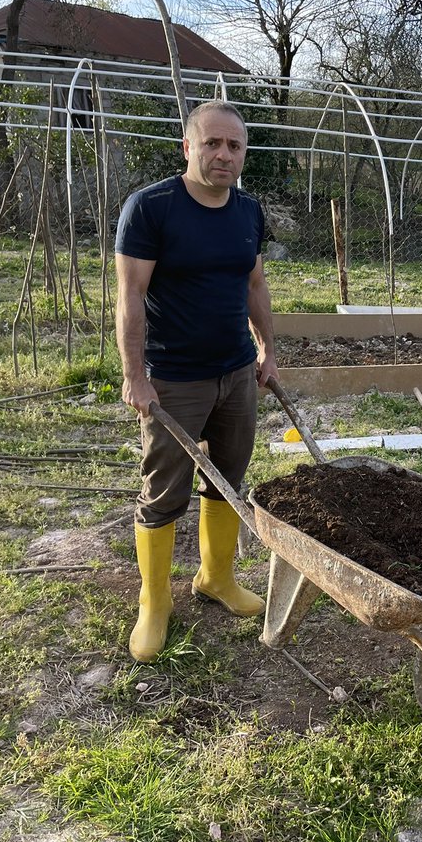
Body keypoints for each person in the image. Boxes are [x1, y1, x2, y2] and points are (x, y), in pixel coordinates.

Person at [115, 100, 277, 663]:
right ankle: (154, 602)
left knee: (229, 479)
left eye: (234, 146)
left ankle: (215, 577)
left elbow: (254, 284)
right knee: (164, 494)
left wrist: (268, 349)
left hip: (235, 372)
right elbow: (130, 296)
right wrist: (136, 377)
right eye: (212, 143)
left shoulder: (248, 212)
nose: (223, 155)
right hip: (174, 378)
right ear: (188, 147)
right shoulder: (152, 209)